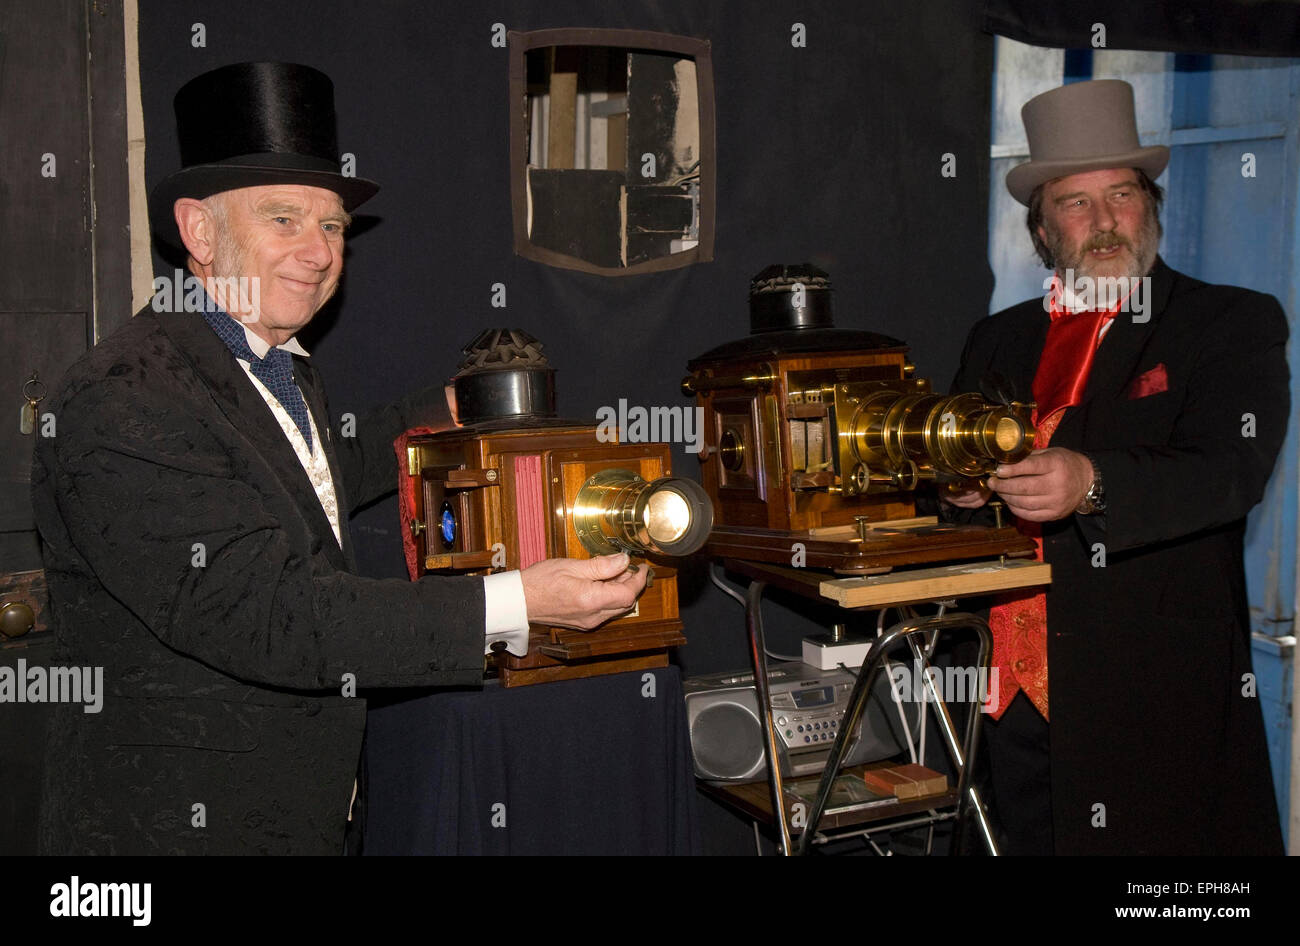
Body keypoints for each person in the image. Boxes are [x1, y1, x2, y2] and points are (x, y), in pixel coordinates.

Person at [30, 62, 646, 855]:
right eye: (284, 219)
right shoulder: (121, 396)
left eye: (332, 228)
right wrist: (514, 604)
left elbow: (313, 475)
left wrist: (445, 409)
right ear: (200, 231)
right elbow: (273, 615)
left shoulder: (282, 368)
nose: (317, 253)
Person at [944, 79, 1288, 854]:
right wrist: (959, 491)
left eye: (1122, 195)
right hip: (1004, 693)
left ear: (1151, 207)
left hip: (1149, 698)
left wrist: (1092, 482)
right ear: (1041, 231)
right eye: (1075, 203)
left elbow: (1230, 470)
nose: (1104, 223)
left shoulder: (1229, 322)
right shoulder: (997, 339)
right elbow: (956, 483)